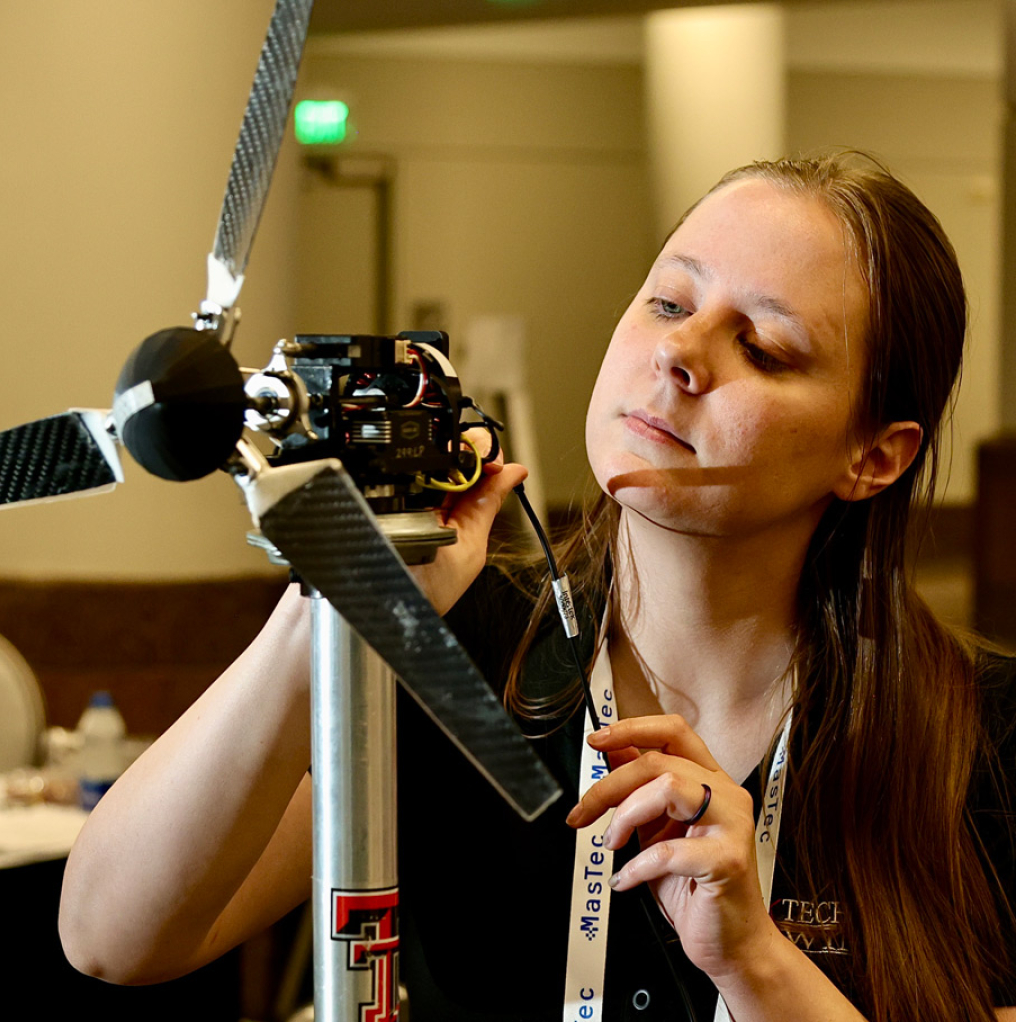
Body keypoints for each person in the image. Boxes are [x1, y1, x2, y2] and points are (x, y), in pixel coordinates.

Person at [58, 152, 1016, 1021]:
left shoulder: (977, 734)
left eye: (762, 347)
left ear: (874, 456)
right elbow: (112, 937)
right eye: (669, 305)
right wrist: (340, 603)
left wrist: (758, 965)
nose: (680, 357)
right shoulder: (456, 650)